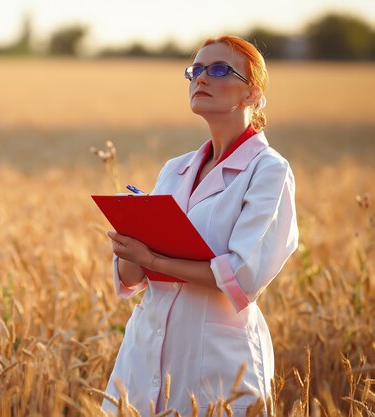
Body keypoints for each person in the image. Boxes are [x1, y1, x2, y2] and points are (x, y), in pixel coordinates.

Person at [101, 35, 299, 417]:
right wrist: (129, 243)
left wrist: (152, 258)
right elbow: (131, 279)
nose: (201, 78)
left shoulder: (269, 171)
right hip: (145, 354)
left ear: (252, 93)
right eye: (195, 70)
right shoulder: (174, 169)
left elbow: (242, 276)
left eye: (219, 69)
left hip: (217, 364)